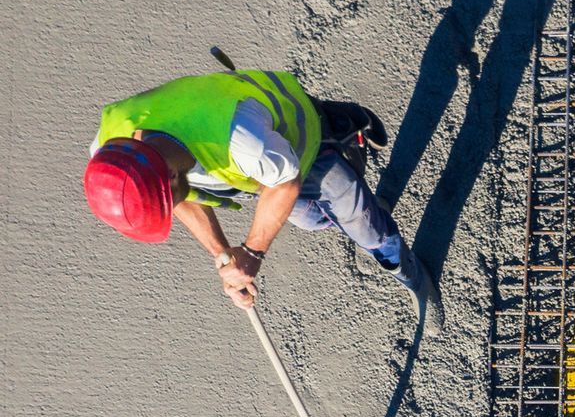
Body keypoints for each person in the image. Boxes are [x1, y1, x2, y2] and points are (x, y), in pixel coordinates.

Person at [84, 67, 443, 334]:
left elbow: (284, 185)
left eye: (167, 198)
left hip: (302, 144)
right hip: (261, 168)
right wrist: (225, 259)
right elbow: (181, 199)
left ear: (171, 175)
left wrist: (252, 254)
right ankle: (343, 129)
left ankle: (411, 275)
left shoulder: (241, 138)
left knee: (369, 230)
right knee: (312, 220)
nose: (172, 207)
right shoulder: (112, 149)